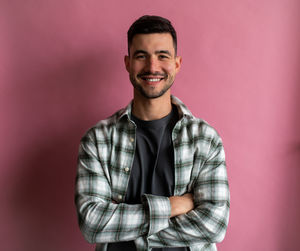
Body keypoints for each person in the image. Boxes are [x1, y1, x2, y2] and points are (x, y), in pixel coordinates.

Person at [75, 15, 230, 251]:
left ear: (177, 64)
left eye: (162, 56)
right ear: (127, 63)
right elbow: (92, 224)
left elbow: (214, 225)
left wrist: (125, 229)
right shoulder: (97, 140)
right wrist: (172, 206)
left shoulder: (205, 139)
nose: (152, 67)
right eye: (141, 56)